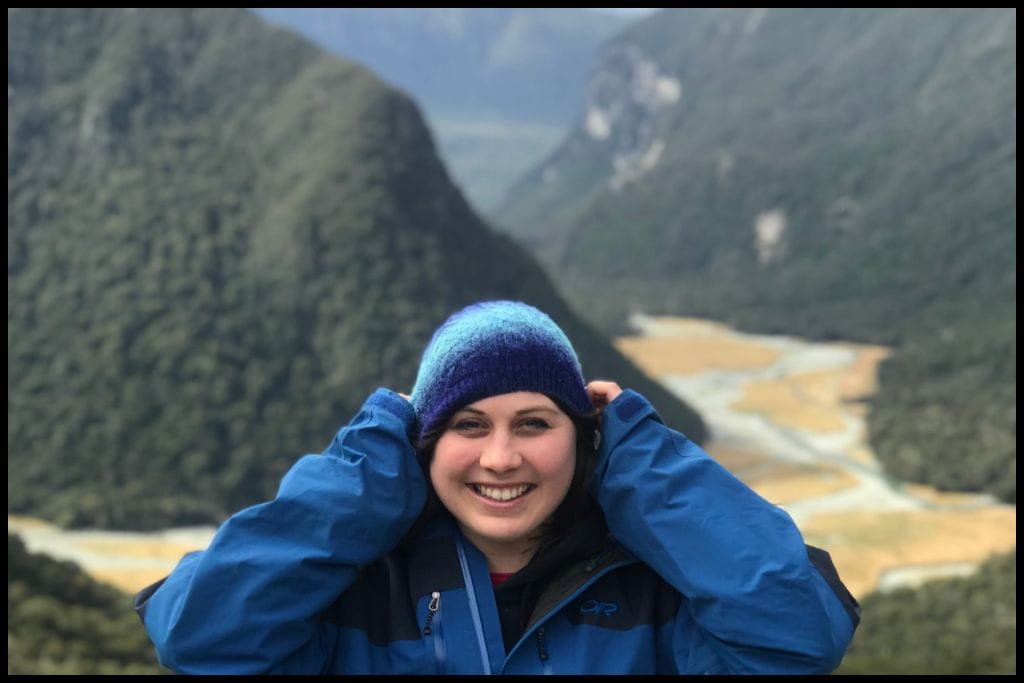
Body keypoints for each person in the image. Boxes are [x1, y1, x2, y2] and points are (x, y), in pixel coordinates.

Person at [134, 300, 859, 674]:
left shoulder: (658, 586)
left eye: (536, 422)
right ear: (424, 445)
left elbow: (796, 636)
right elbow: (201, 636)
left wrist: (639, 458)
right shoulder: (351, 588)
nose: (502, 456)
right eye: (469, 424)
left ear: (584, 438)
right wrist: (367, 470)